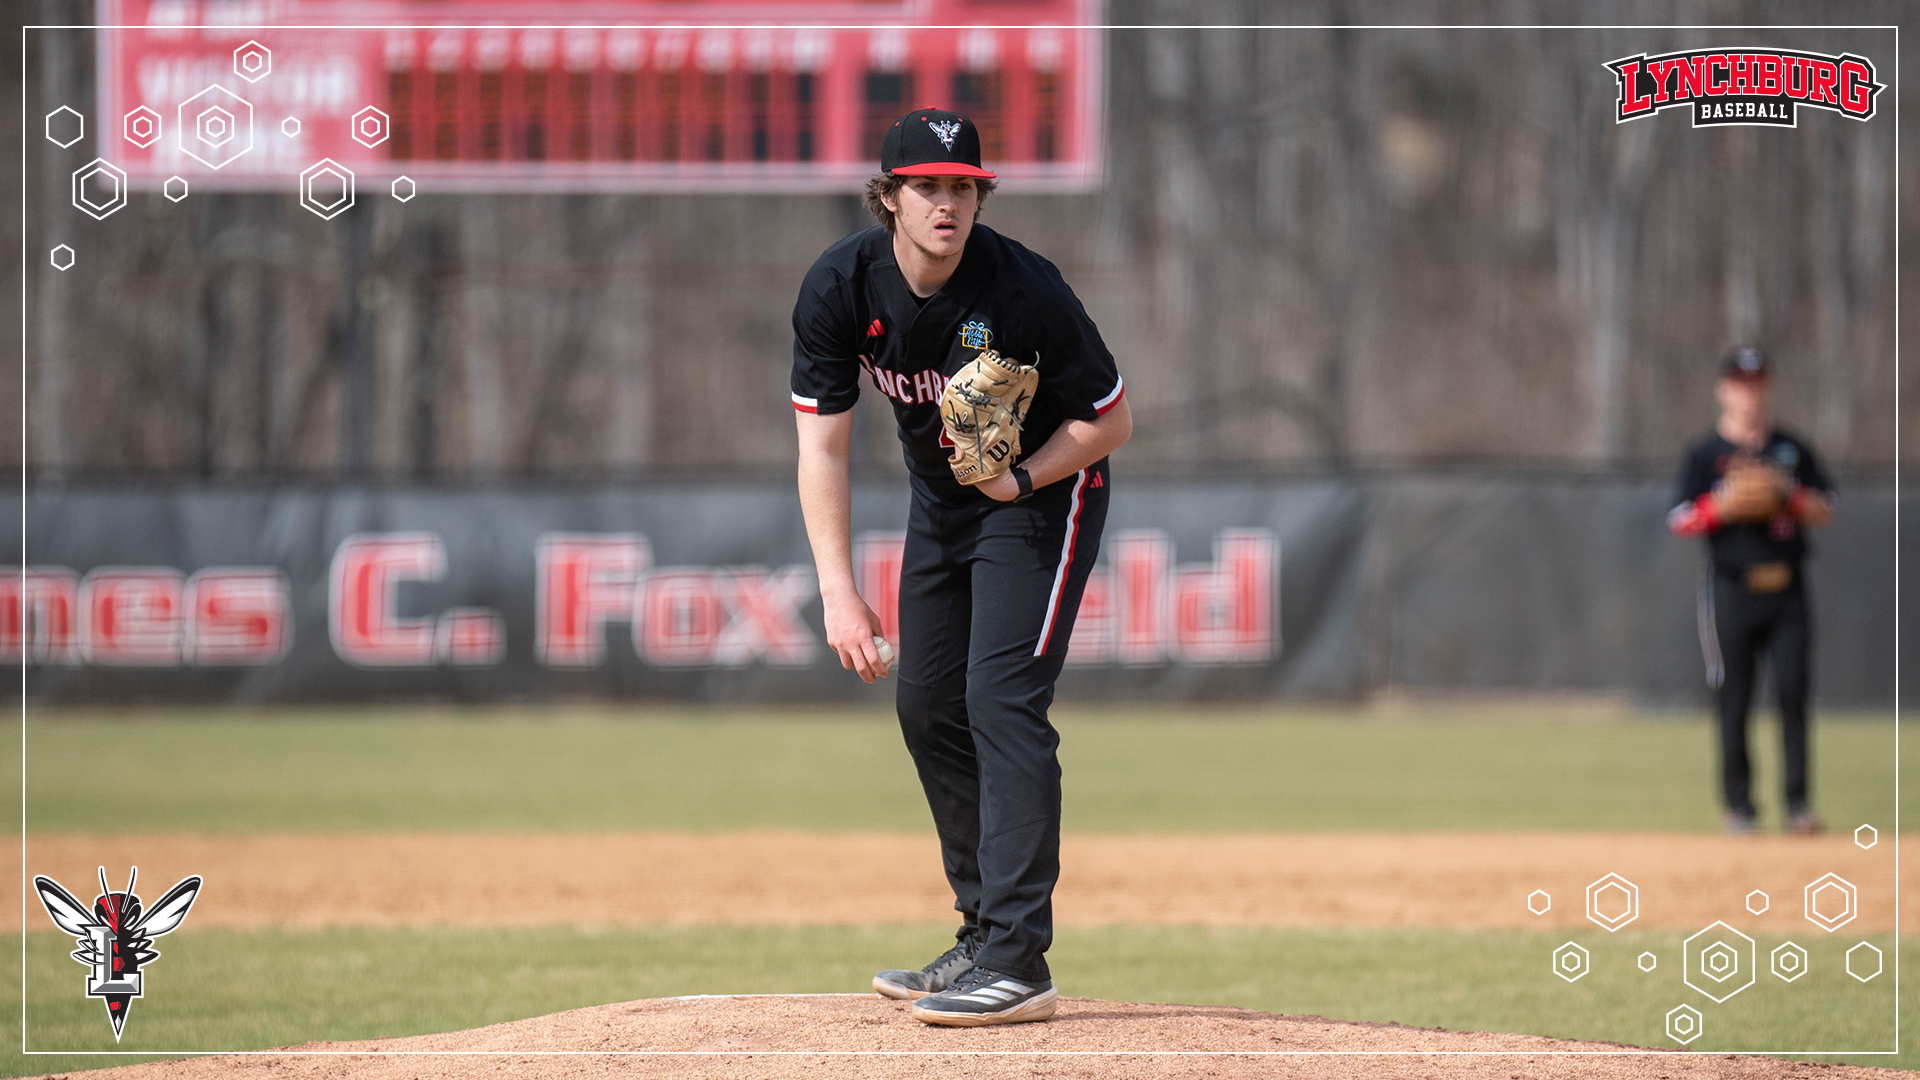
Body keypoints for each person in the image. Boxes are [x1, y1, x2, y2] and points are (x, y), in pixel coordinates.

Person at [790, 108, 1130, 1026]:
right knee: (926, 703)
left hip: (1044, 498)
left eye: (964, 187)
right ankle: (982, 931)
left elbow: (1111, 417)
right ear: (890, 196)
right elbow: (820, 449)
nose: (948, 203)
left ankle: (1021, 962)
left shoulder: (1024, 289)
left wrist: (1022, 478)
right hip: (939, 505)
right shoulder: (839, 285)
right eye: (928, 187)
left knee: (1000, 698)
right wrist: (839, 592)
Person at [1668, 346, 1834, 835]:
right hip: (1731, 589)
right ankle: (1740, 807)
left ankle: (1798, 804)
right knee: (1733, 698)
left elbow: (1828, 506)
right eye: (1740, 383)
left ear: (1768, 387)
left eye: (1757, 382)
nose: (1749, 392)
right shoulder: (1706, 453)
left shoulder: (1790, 449)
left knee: (1792, 694)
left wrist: (1788, 495)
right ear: (1723, 389)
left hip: (1787, 590)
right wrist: (1722, 504)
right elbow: (1679, 519)